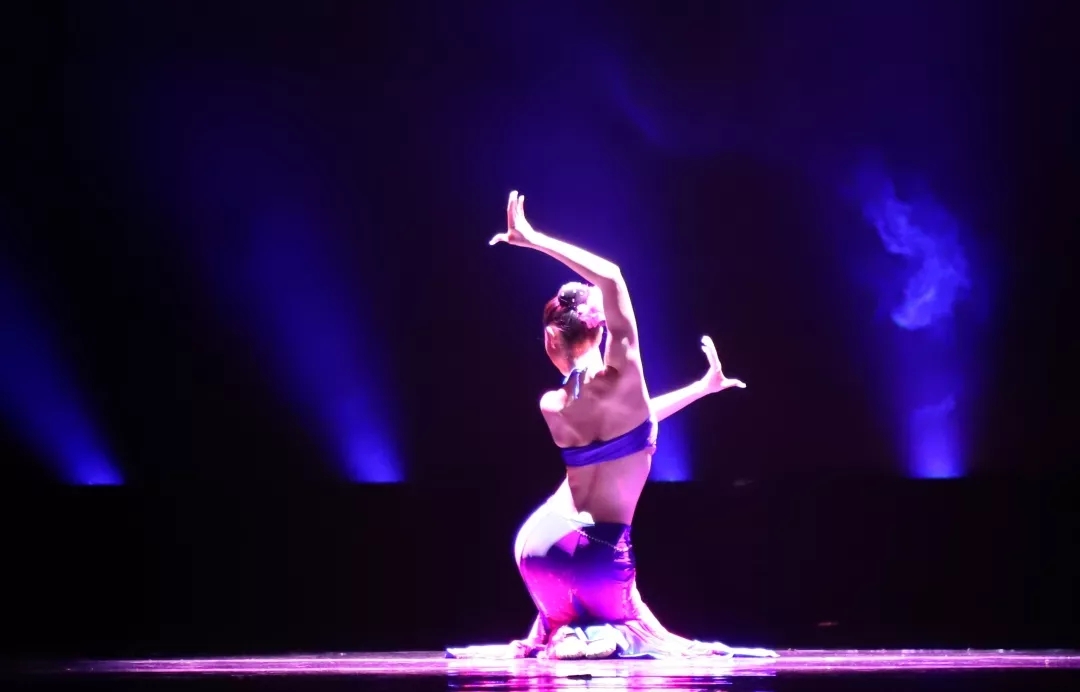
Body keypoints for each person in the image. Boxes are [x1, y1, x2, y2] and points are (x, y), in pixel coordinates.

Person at [446, 192, 776, 661]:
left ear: (550, 342)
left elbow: (629, 430)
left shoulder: (552, 405)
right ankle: (608, 634)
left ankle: (571, 632)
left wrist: (702, 388)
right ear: (602, 328)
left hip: (540, 548)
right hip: (599, 554)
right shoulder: (624, 377)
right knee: (648, 636)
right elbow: (612, 276)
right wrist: (533, 237)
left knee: (571, 615)